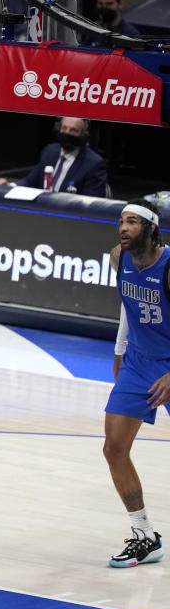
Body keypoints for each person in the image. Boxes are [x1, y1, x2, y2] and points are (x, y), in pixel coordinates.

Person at [103, 202, 165, 568]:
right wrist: (120, 349)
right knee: (114, 447)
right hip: (140, 361)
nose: (123, 228)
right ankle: (146, 537)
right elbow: (128, 303)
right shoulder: (118, 258)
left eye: (132, 222)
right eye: (121, 221)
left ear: (151, 229)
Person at [0, 117, 107, 197]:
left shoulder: (94, 164)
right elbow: (31, 181)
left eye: (73, 131)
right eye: (64, 128)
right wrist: (10, 186)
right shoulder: (50, 151)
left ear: (83, 135)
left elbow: (91, 202)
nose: (67, 133)